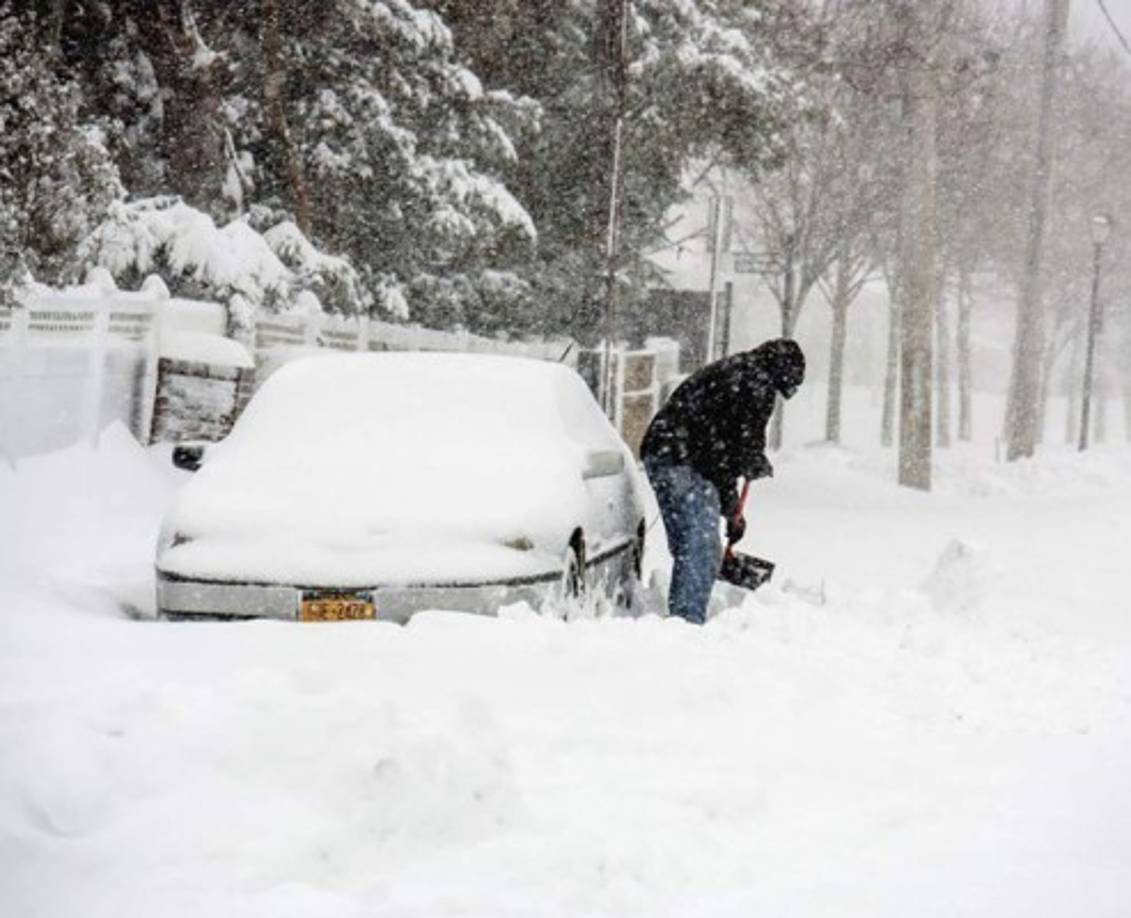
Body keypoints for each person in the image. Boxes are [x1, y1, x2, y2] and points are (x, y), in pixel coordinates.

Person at [640, 337, 805, 624]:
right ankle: (686, 623)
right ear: (782, 373)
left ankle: (683, 617)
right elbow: (736, 446)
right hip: (682, 458)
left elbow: (725, 447)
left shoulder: (740, 370)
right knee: (699, 546)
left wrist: (731, 507)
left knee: (690, 543)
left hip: (663, 452)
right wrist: (749, 464)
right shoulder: (756, 383)